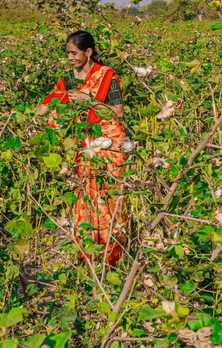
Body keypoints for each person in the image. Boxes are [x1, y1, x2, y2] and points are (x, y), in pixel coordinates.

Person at [34, 30, 129, 267]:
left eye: (74, 53)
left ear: (88, 52)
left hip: (108, 144)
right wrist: (27, 121)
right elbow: (48, 104)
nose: (70, 58)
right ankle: (87, 254)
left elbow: (117, 113)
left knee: (108, 200)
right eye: (68, 53)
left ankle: (111, 257)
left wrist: (90, 102)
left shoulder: (107, 76)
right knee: (84, 199)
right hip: (83, 146)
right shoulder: (68, 79)